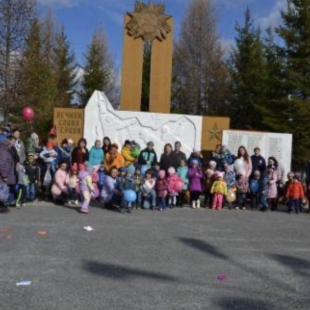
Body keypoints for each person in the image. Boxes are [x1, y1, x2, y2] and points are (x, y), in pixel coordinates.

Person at [0, 137, 16, 207]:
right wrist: (4, 175)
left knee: (5, 191)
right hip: (4, 176)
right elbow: (2, 164)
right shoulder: (3, 152)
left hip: (7, 175)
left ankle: (4, 204)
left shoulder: (7, 151)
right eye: (11, 143)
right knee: (3, 192)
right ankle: (2, 205)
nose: (12, 144)